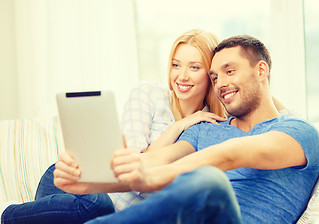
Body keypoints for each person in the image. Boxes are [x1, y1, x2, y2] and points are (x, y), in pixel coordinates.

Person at [54, 35, 319, 224]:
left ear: (261, 70)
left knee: (209, 181)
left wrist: (147, 179)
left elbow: (230, 155)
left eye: (230, 71)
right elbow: (150, 159)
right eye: (214, 77)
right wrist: (90, 175)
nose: (221, 83)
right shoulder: (205, 129)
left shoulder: (298, 131)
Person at [0, 29, 227, 224]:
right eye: (176, 65)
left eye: (194, 67)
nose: (182, 75)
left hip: (113, 214)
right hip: (75, 183)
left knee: (101, 211)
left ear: (210, 75)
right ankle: (6, 214)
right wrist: (178, 127)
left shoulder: (207, 127)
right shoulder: (148, 94)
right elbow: (131, 161)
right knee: (98, 203)